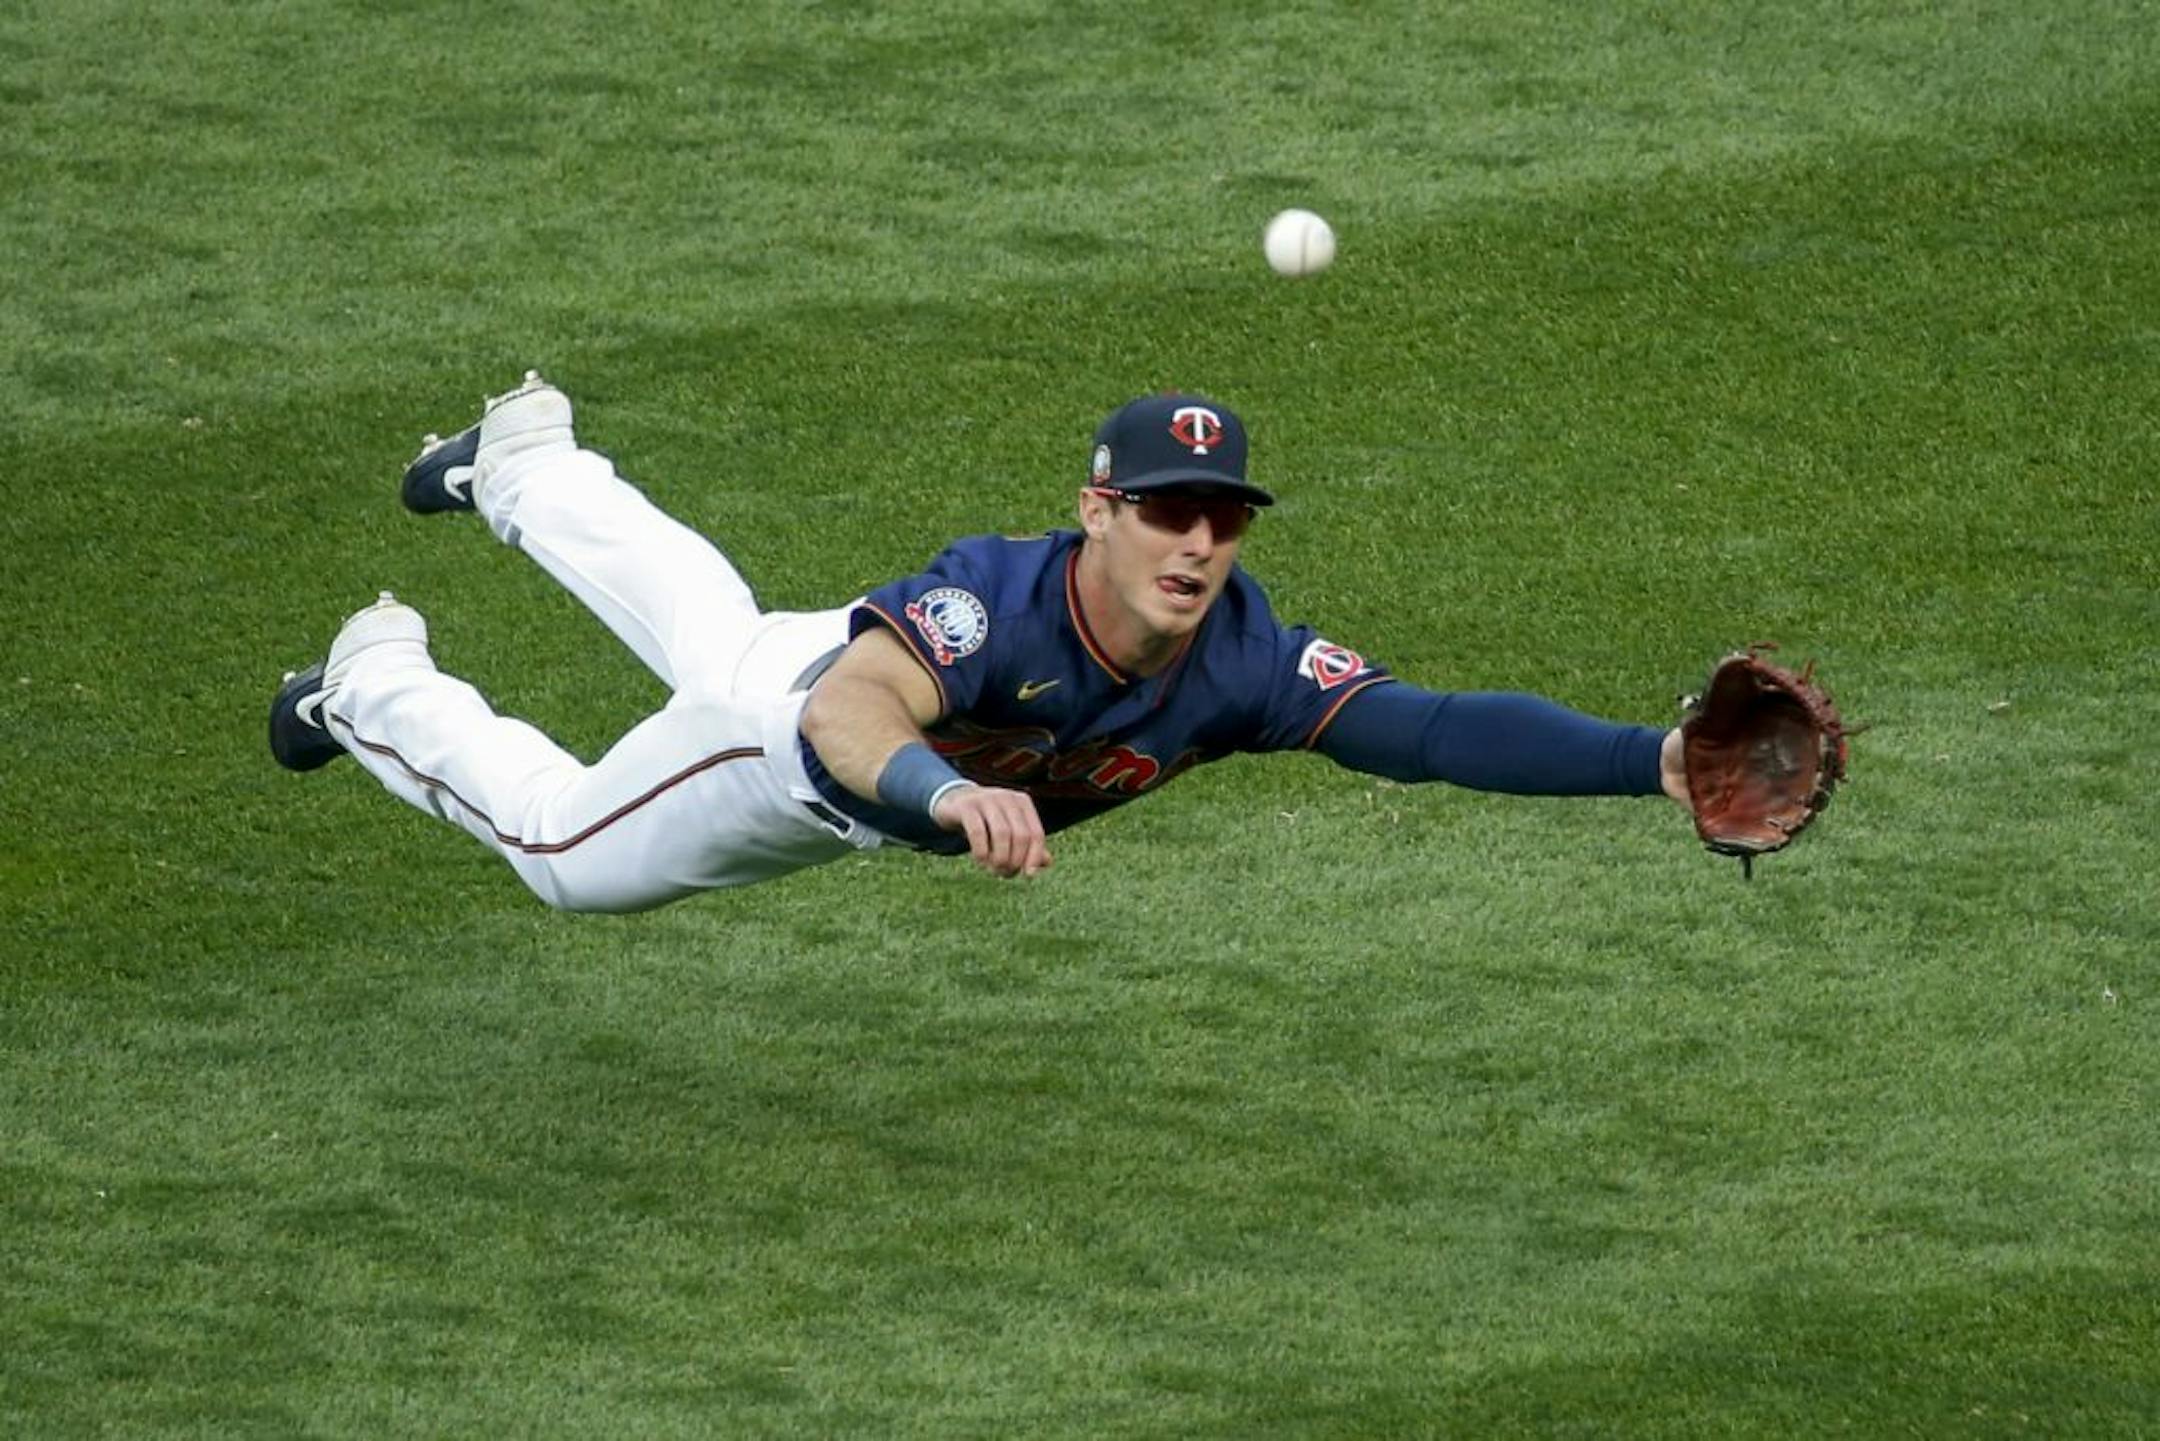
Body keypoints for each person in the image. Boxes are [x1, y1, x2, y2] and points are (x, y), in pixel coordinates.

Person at [270, 372, 1687, 912]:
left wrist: (1656, 761)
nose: (1198, 543)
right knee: (567, 858)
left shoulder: (1246, 659)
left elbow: (1432, 731)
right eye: (1166, 512)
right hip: (796, 749)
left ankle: (521, 460)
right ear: (1098, 509)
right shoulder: (996, 604)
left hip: (830, 694)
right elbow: (846, 716)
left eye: (1224, 519)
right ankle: (372, 679)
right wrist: (945, 791)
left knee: (715, 627)